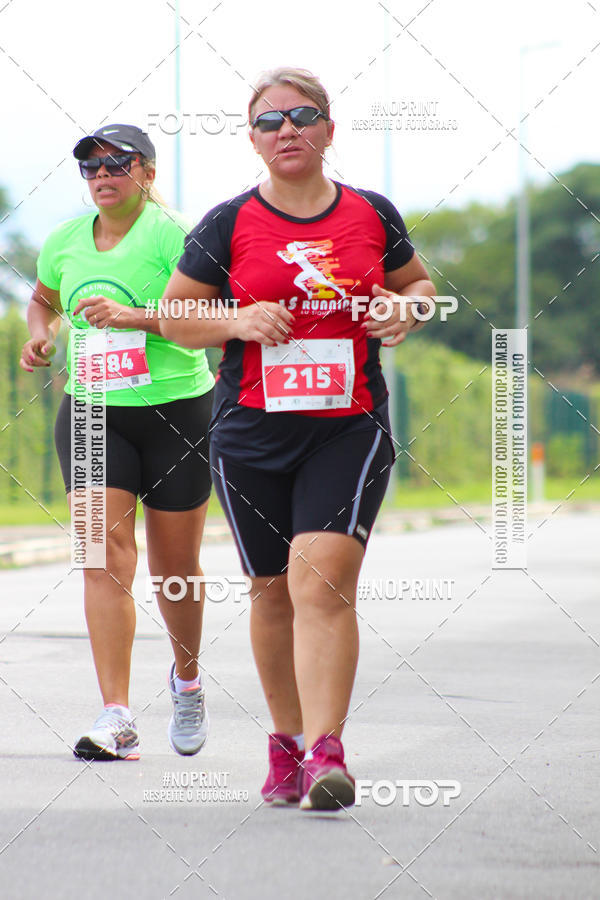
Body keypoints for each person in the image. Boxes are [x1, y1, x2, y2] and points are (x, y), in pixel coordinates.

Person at [160, 68, 436, 809]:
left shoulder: (372, 214)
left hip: (347, 427)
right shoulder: (226, 224)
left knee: (320, 579)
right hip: (249, 433)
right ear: (252, 140)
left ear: (328, 130)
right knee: (272, 589)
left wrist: (407, 311)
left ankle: (327, 751)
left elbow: (419, 285)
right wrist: (236, 320)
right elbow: (174, 316)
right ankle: (284, 745)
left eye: (302, 116)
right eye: (269, 121)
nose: (287, 130)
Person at [19, 124, 215, 761]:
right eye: (91, 168)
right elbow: (43, 300)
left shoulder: (176, 235)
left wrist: (134, 317)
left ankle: (186, 681)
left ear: (148, 173)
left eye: (117, 164)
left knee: (174, 569)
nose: (102, 175)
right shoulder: (65, 240)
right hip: (93, 409)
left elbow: (217, 317)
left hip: (177, 412)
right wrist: (41, 334)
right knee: (102, 553)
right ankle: (117, 715)